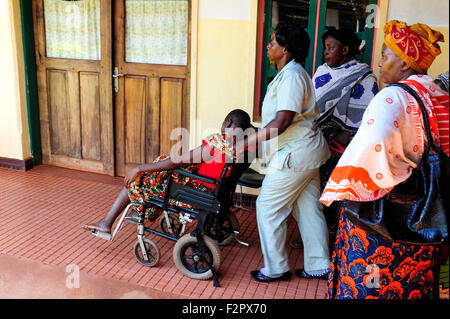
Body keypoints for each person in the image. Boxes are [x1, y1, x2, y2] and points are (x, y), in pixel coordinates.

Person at [320, 20, 448, 299]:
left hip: (379, 222)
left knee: (370, 285)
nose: (379, 64)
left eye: (385, 55)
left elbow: (368, 156)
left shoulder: (392, 97)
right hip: (425, 215)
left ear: (404, 63)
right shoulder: (437, 93)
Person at [235, 21, 331, 282]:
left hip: (295, 154)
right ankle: (319, 265)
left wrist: (246, 141)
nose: (268, 46)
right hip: (306, 152)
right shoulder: (291, 73)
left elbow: (282, 122)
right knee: (308, 209)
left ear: (286, 49)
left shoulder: (291, 76)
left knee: (267, 207)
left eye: (273, 42)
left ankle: (276, 268)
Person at [82, 109, 254, 234]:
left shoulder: (217, 144)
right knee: (160, 164)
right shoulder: (244, 147)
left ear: (228, 123)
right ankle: (140, 207)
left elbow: (175, 162)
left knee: (142, 176)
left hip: (197, 191)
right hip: (214, 190)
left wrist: (139, 167)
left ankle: (111, 220)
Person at [290, 28, 379, 249]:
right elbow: (310, 106)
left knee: (333, 194)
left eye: (331, 48)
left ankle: (330, 239)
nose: (326, 53)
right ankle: (314, 234)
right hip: (316, 140)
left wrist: (346, 134)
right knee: (312, 193)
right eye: (325, 48)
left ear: (346, 49)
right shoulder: (321, 71)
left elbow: (367, 118)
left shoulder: (365, 77)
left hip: (345, 146)